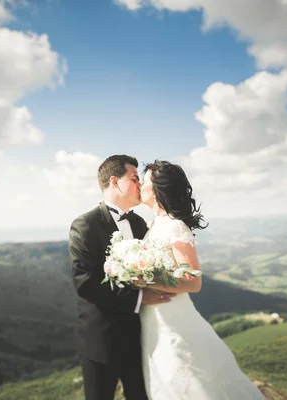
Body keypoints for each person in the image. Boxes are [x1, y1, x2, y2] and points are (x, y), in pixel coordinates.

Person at [138, 160, 266, 400]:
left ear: (156, 190)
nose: (139, 188)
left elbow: (192, 281)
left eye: (143, 183)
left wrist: (146, 278)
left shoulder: (175, 227)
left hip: (174, 321)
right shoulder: (154, 225)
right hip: (153, 321)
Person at [69, 154, 176, 400]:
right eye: (135, 178)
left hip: (140, 337)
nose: (141, 184)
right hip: (101, 342)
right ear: (115, 182)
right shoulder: (85, 224)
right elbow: (84, 283)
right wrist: (140, 298)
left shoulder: (140, 224)